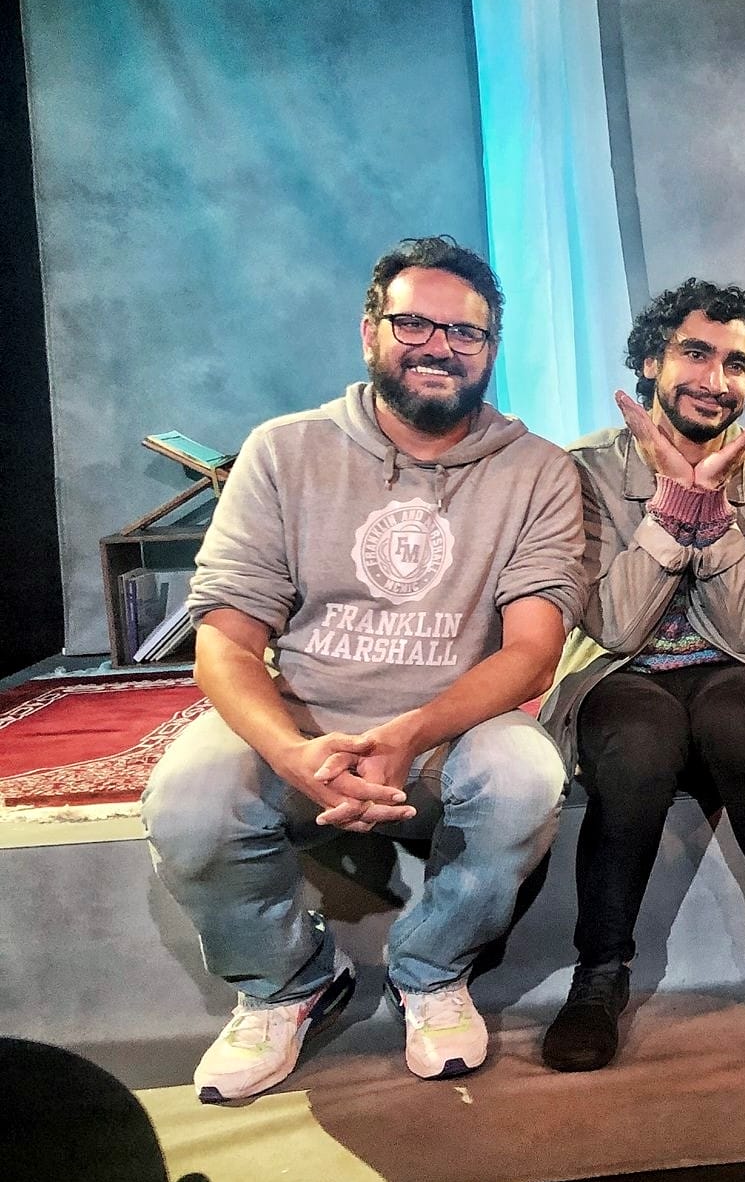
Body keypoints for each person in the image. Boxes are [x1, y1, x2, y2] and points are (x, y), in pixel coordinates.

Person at [141, 236, 585, 1102]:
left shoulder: (537, 470)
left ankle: (430, 969)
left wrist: (414, 731)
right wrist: (290, 751)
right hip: (306, 724)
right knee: (189, 799)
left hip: (451, 731)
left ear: (491, 349)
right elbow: (226, 644)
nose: (439, 346)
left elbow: (532, 649)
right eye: (413, 322)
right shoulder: (282, 452)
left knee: (525, 777)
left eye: (466, 333)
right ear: (370, 330)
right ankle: (290, 985)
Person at [538, 279, 745, 1070]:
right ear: (651, 360)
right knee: (638, 748)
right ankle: (599, 976)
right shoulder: (577, 472)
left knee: (744, 729)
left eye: (736, 364)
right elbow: (610, 624)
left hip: (734, 664)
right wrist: (670, 509)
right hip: (620, 671)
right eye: (695, 353)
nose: (716, 381)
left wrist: (711, 517)